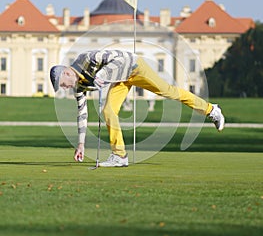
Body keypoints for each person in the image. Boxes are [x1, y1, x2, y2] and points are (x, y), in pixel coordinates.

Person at [50, 49, 225, 167]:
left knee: (169, 92)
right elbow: (82, 114)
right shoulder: (79, 88)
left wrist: (103, 74)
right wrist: (81, 144)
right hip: (120, 80)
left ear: (66, 73)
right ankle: (119, 156)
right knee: (108, 111)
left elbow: (120, 59)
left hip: (135, 67)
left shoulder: (87, 58)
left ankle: (211, 110)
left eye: (62, 84)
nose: (64, 88)